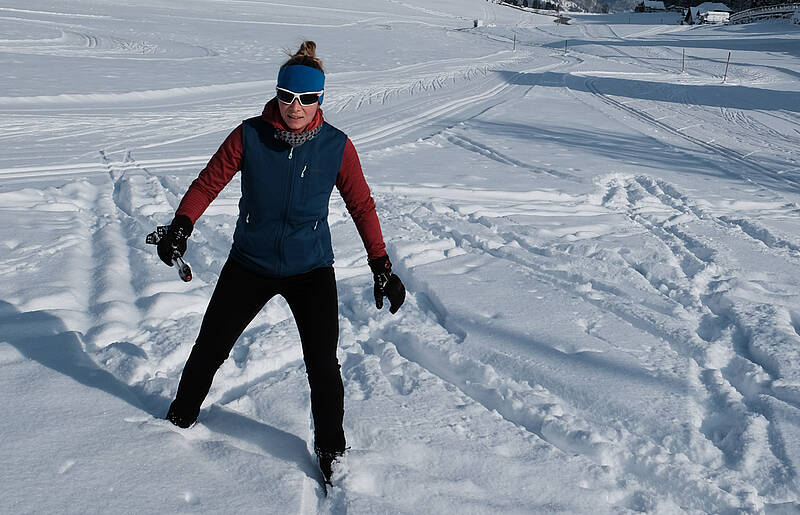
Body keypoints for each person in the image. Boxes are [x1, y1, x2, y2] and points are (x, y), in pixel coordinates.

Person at [155, 41, 406, 483]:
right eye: (288, 96)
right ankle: (179, 418)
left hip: (310, 268)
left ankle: (332, 451)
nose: (295, 107)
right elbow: (208, 182)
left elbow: (362, 206)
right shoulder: (249, 135)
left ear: (320, 100)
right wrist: (182, 225)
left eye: (307, 99)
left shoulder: (336, 147)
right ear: (277, 93)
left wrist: (380, 265)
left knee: (323, 366)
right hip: (249, 262)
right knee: (211, 346)